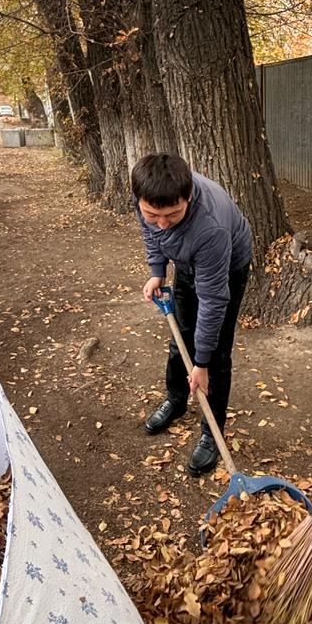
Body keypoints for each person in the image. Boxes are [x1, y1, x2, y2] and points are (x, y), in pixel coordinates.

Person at [133, 153, 253, 475]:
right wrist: (157, 270)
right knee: (180, 335)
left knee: (215, 356)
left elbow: (213, 301)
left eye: (171, 215)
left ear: (187, 198)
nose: (160, 222)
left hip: (224, 267)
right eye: (151, 213)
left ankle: (211, 432)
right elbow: (153, 235)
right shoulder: (148, 195)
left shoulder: (209, 227)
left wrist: (200, 364)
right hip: (187, 261)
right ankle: (176, 398)